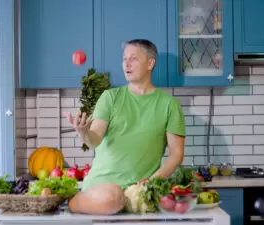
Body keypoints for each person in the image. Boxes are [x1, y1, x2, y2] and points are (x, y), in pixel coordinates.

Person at [64, 39, 186, 215]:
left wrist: (150, 184)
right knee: (111, 199)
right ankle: (74, 203)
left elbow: (176, 155)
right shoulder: (110, 97)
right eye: (124, 59)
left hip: (137, 193)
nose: (126, 64)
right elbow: (94, 139)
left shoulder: (169, 105)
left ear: (150, 63)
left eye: (134, 58)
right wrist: (83, 133)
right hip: (101, 190)